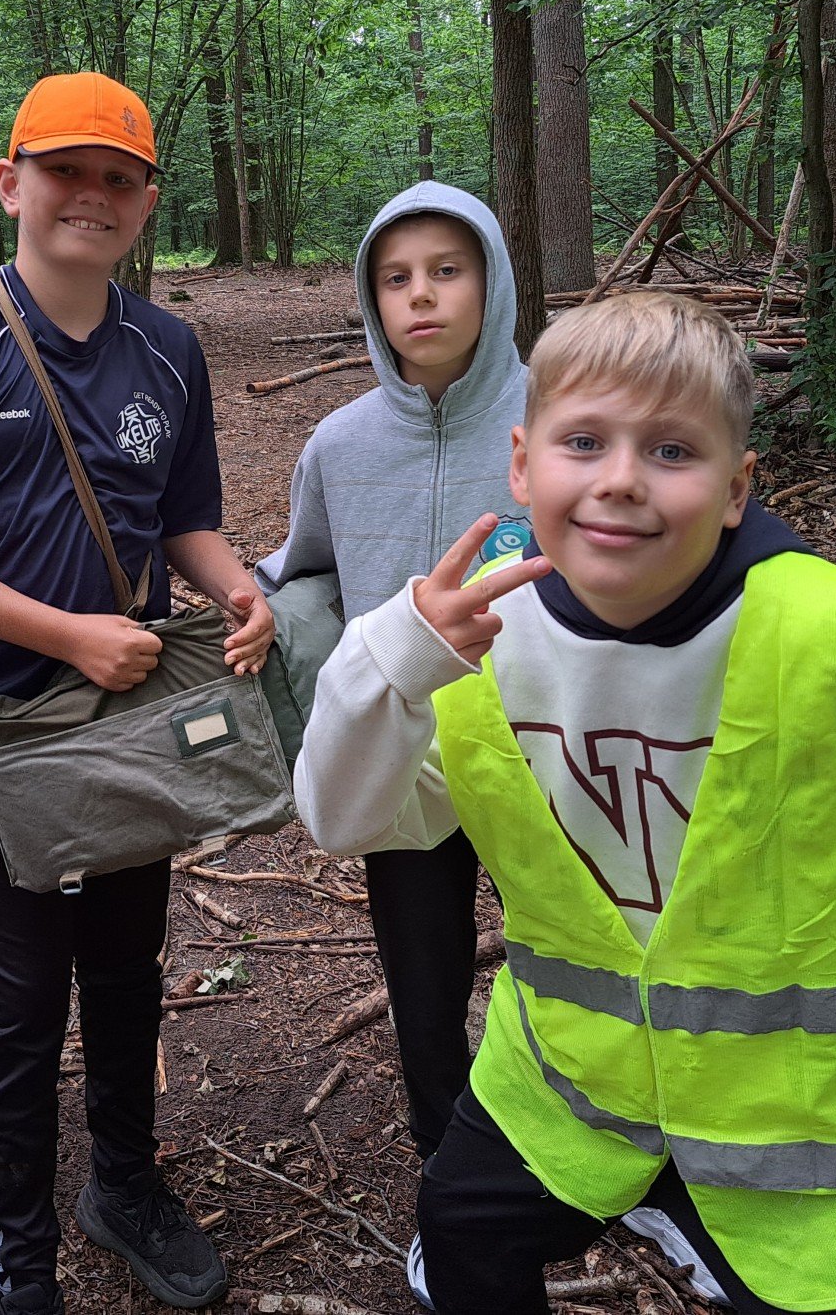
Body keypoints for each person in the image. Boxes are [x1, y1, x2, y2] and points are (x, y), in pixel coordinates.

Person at [294, 290, 836, 1314]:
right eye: (583, 441)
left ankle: (694, 1211)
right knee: (459, 1229)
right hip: (569, 1091)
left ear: (736, 489)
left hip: (813, 1147)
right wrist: (385, 662)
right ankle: (655, 1194)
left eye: (671, 451)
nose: (620, 479)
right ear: (520, 465)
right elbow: (345, 820)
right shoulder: (471, 644)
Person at [0, 72, 272, 1315]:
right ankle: (19, 1256)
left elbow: (183, 517)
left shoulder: (167, 349)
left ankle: (124, 1184)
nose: (91, 195)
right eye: (64, 171)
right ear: (10, 184)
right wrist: (66, 636)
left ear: (145, 201)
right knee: (24, 995)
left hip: (125, 722)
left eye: (118, 178)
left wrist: (235, 586)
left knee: (129, 963)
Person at [257, 182, 530, 1171]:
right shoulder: (340, 443)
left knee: (572, 951)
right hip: (403, 747)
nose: (420, 295)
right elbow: (307, 569)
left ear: (491, 280)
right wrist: (259, 607)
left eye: (446, 271)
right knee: (421, 968)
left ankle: (595, 1146)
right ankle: (444, 1159)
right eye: (395, 277)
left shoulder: (558, 419)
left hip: (545, 744)